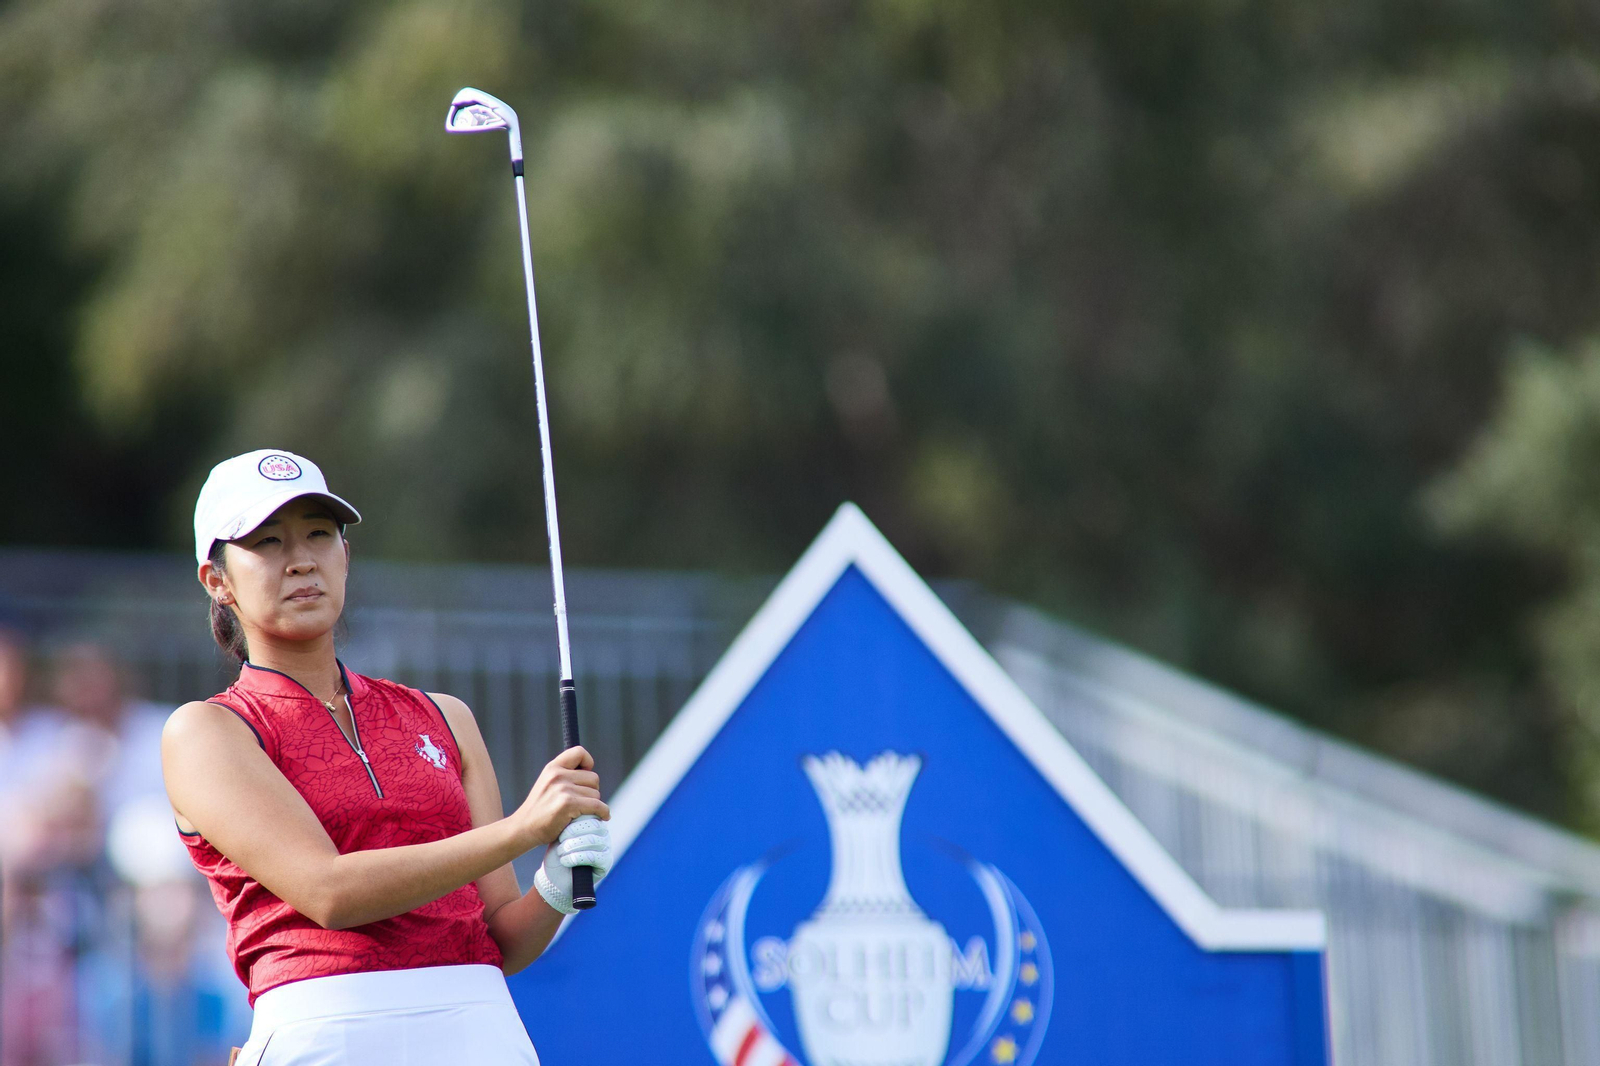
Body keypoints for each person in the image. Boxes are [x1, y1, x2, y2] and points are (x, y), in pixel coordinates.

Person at [161, 448, 612, 1065]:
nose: (300, 561)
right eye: (267, 543)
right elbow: (328, 892)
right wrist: (521, 831)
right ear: (218, 581)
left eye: (320, 534)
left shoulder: (446, 717)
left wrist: (554, 884)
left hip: (481, 1029)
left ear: (345, 555)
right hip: (325, 1033)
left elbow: (502, 935)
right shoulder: (207, 731)